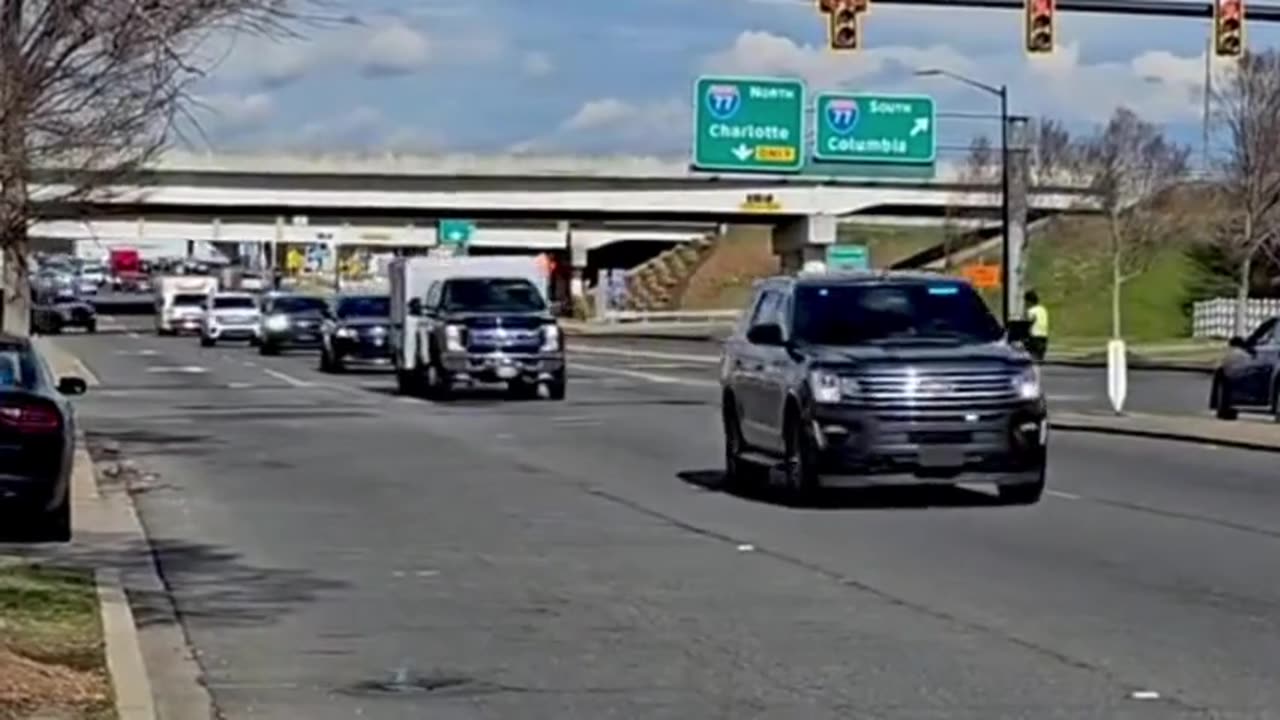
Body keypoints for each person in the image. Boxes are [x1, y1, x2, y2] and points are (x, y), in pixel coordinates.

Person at [1024, 290, 1049, 362]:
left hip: (1034, 339)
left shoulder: (1031, 311)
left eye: (1025, 301)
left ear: (1029, 301)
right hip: (1044, 338)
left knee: (1032, 360)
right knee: (1039, 359)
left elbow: (1028, 324)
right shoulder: (1043, 309)